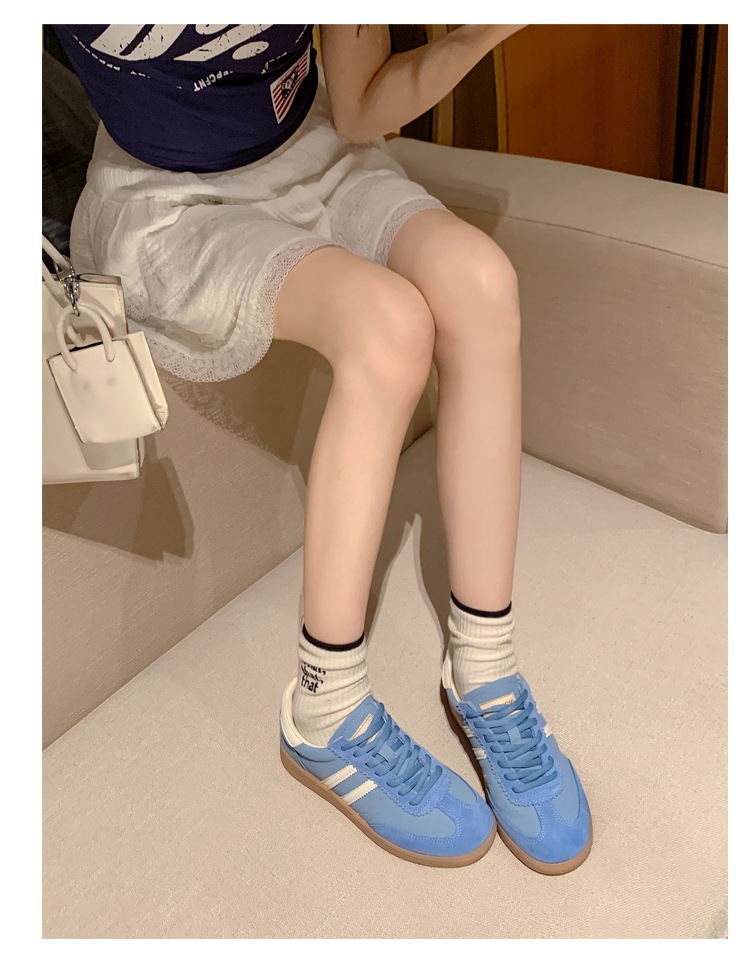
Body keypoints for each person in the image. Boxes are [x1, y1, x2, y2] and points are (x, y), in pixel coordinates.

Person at [52, 23, 592, 873]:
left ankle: (484, 669)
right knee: (389, 324)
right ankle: (324, 707)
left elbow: (361, 107)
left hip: (316, 155)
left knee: (482, 282)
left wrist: (480, 32)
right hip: (167, 200)